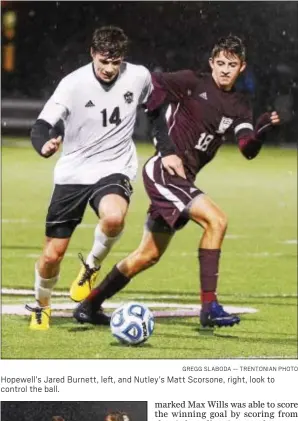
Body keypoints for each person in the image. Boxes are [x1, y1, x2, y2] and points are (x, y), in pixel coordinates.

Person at [74, 35, 281, 329]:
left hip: (183, 180)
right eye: (219, 63)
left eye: (231, 65)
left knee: (148, 255)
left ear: (241, 67)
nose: (224, 69)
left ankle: (89, 305)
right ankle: (209, 306)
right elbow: (151, 85)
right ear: (211, 63)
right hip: (164, 172)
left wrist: (259, 133)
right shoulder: (192, 82)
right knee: (217, 221)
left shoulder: (240, 104)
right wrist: (166, 147)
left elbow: (247, 148)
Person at [25, 26, 159, 330]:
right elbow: (41, 126)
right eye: (103, 62)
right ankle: (41, 304)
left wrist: (164, 140)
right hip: (73, 172)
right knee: (52, 255)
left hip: (114, 166)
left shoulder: (139, 76)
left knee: (114, 218)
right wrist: (44, 145)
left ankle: (91, 267)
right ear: (92, 54)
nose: (110, 69)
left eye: (115, 62)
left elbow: (156, 107)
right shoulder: (73, 84)